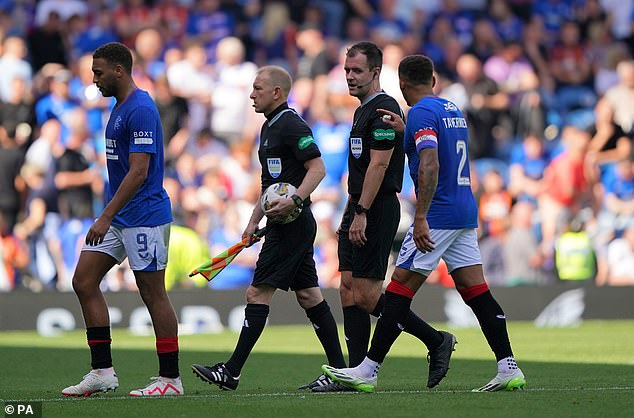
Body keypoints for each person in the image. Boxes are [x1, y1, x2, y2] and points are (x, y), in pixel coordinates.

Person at [322, 54, 526, 393]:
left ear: (401, 84)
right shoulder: (450, 110)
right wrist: (407, 132)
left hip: (439, 214)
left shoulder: (419, 113)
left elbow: (429, 162)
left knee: (399, 288)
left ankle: (368, 370)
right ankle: (508, 366)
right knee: (476, 291)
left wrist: (420, 218)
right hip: (464, 210)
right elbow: (439, 149)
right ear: (432, 80)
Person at [191, 65, 346, 391]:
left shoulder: (291, 124)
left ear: (277, 92)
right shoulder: (269, 128)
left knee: (256, 292)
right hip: (284, 223)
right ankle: (341, 372)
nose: (251, 94)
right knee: (308, 295)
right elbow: (269, 187)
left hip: (292, 224)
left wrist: (296, 200)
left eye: (258, 88)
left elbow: (317, 168)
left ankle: (231, 371)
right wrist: (251, 222)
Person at [318, 41, 455, 393]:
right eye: (347, 70)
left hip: (375, 207)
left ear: (376, 72)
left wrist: (361, 211)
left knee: (365, 295)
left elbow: (379, 165)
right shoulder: (362, 111)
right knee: (347, 290)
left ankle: (435, 340)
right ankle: (352, 372)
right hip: (356, 204)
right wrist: (351, 208)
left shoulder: (382, 110)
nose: (349, 77)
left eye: (357, 71)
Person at [61, 42, 183, 397]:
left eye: (98, 72)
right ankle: (102, 371)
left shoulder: (141, 108)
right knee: (84, 281)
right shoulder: (119, 108)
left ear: (119, 70)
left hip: (144, 216)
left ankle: (170, 379)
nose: (94, 79)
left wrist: (104, 215)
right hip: (120, 217)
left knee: (152, 292)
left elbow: (139, 171)